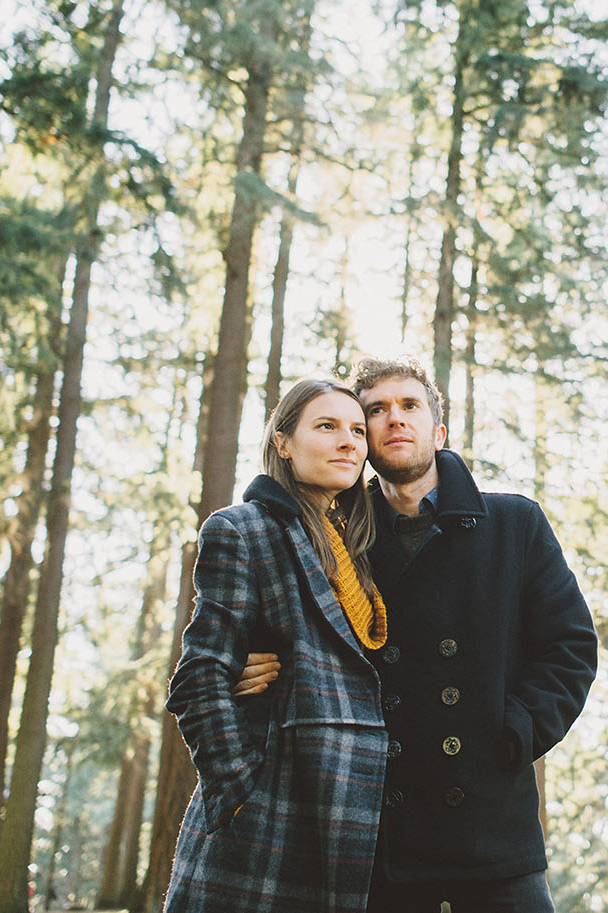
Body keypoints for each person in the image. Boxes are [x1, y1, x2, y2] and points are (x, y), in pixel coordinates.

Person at [243, 356, 598, 913]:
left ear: (438, 429)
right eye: (375, 412)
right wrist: (253, 659)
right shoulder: (340, 541)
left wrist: (517, 729)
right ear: (362, 440)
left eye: (409, 405)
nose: (394, 420)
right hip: (383, 831)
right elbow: (294, 631)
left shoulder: (514, 524)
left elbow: (570, 646)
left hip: (491, 823)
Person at [164, 378, 389, 913]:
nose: (349, 442)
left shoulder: (357, 549)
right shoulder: (243, 530)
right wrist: (239, 791)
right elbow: (199, 678)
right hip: (269, 818)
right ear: (283, 442)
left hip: (349, 815)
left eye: (357, 431)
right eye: (327, 426)